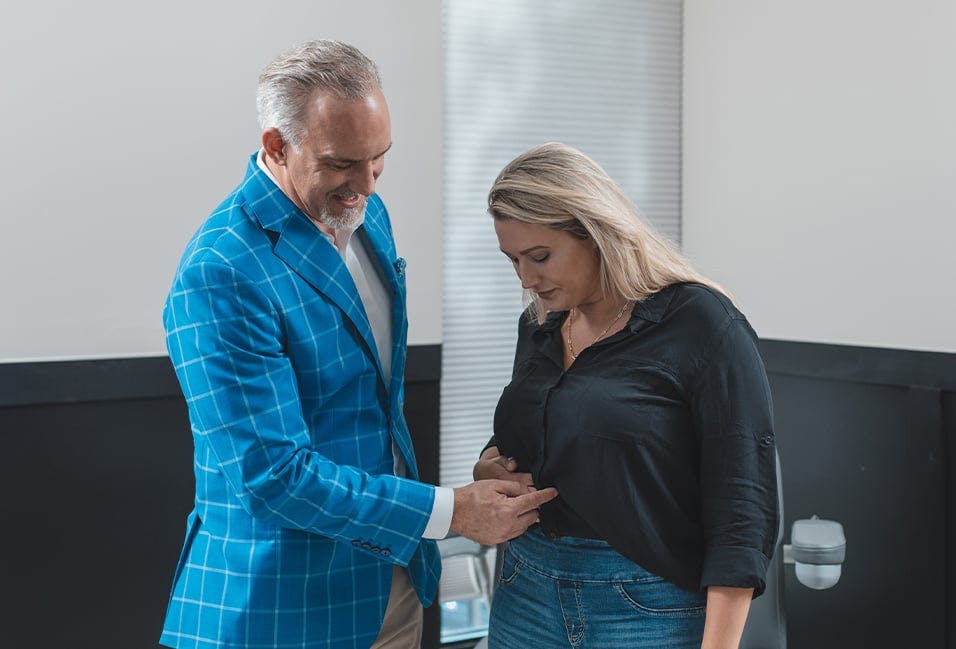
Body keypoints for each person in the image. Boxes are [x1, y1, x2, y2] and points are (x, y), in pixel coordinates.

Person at [159, 41, 557, 649]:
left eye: (379, 159)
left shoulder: (367, 215)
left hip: (388, 587)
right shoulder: (222, 271)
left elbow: (374, 403)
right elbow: (273, 476)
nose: (366, 184)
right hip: (277, 605)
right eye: (343, 162)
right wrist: (451, 512)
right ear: (276, 146)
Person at [473, 142, 778, 649]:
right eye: (513, 260)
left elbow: (742, 506)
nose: (526, 279)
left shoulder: (702, 323)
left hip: (646, 607)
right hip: (523, 589)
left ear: (595, 232)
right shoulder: (540, 324)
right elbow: (544, 425)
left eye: (540, 256)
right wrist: (488, 464)